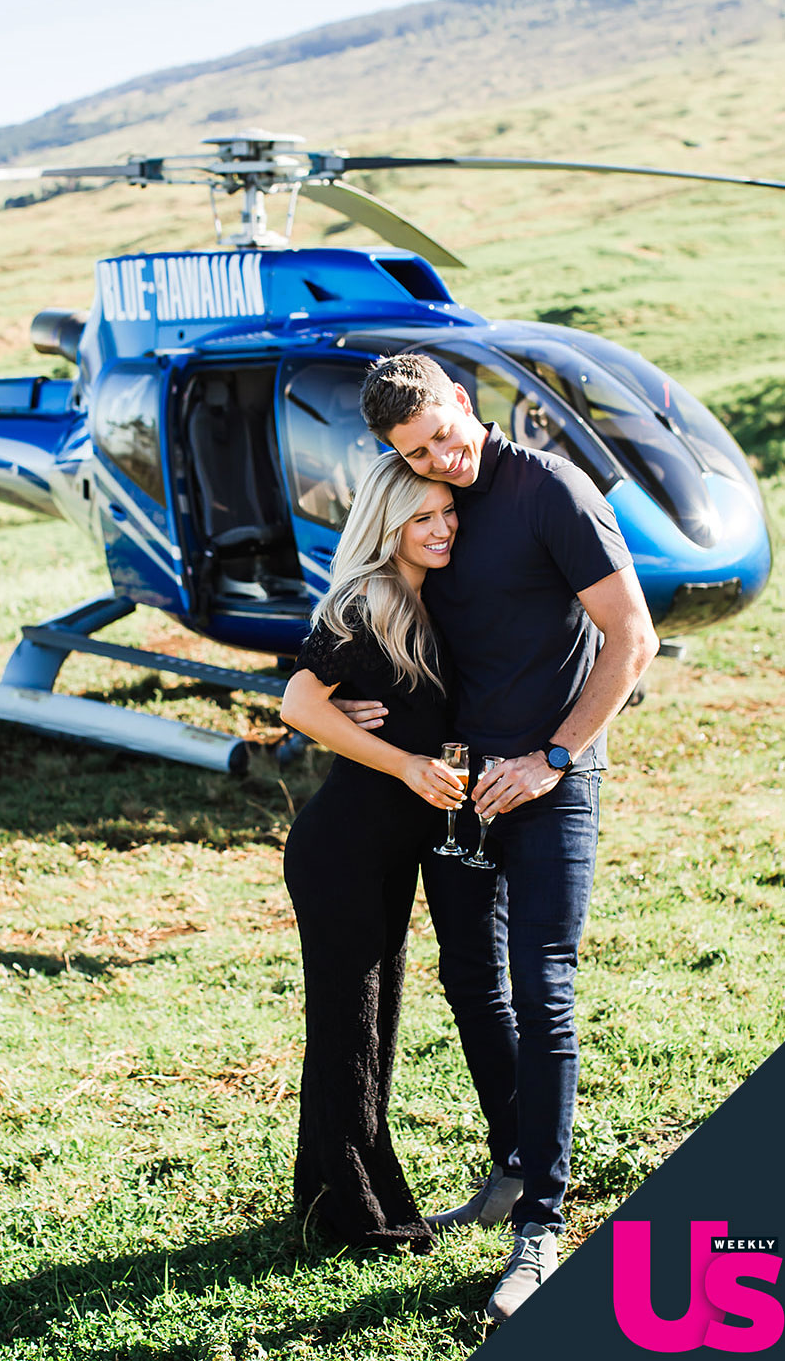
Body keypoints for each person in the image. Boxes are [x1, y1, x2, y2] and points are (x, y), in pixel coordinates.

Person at [338, 353, 658, 1319]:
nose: (442, 460)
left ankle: (541, 1230)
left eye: (443, 433)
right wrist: (362, 694)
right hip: (459, 785)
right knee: (470, 982)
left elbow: (631, 636)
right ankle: (513, 1169)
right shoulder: (430, 504)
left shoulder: (548, 489)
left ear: (463, 404)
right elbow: (405, 618)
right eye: (415, 451)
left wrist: (553, 759)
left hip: (549, 781)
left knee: (541, 986)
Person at [279, 452, 467, 1253]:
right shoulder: (370, 597)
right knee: (349, 1029)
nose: (440, 527)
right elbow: (296, 702)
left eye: (446, 512)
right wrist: (405, 765)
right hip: (342, 851)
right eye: (420, 517)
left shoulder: (425, 600)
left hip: (385, 852)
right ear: (388, 526)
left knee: (370, 1025)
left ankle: (336, 1198)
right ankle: (353, 1219)